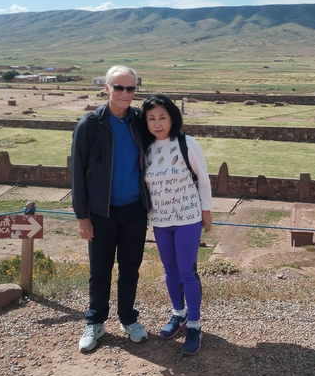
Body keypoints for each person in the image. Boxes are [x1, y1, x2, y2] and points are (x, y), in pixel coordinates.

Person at [71, 65, 151, 352]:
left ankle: (128, 319)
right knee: (100, 269)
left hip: (134, 210)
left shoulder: (140, 122)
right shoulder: (90, 125)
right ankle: (95, 322)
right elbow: (78, 174)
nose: (125, 93)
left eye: (130, 88)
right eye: (119, 87)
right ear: (107, 88)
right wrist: (82, 217)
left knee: (130, 268)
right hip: (100, 212)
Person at [140, 95, 213, 356]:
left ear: (172, 118)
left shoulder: (186, 143)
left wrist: (207, 211)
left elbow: (203, 180)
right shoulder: (146, 149)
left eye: (162, 117)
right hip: (160, 220)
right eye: (151, 118)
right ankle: (178, 314)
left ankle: (194, 323)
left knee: (187, 271)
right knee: (170, 270)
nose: (157, 123)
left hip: (187, 219)